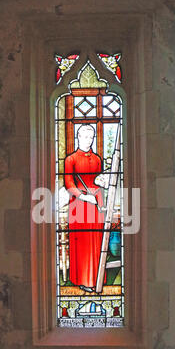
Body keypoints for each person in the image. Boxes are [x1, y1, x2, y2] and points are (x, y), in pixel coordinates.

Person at [64, 124, 107, 292]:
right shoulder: (70, 159)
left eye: (91, 137)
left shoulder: (97, 159)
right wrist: (83, 197)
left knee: (96, 241)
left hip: (96, 203)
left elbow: (97, 180)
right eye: (85, 137)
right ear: (78, 137)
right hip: (79, 205)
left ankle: (97, 277)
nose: (89, 140)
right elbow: (69, 183)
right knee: (82, 243)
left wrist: (101, 183)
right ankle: (82, 279)